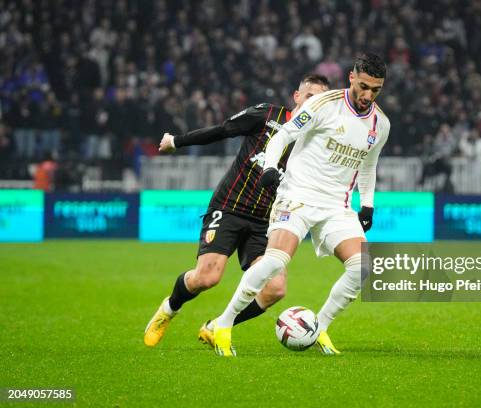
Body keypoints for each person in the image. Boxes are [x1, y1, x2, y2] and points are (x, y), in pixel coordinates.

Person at [211, 53, 390, 356]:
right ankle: (223, 325)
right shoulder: (322, 105)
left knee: (363, 266)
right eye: (363, 86)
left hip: (336, 206)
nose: (368, 95)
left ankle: (319, 327)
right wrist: (269, 167)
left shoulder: (380, 124)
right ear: (351, 77)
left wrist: (368, 205)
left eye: (376, 90)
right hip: (297, 195)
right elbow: (282, 137)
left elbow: (368, 165)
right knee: (275, 261)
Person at [144, 74, 330, 347]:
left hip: (267, 220)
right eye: (311, 96)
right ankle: (168, 309)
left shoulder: (318, 139)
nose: (316, 103)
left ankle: (217, 325)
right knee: (207, 277)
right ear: (297, 96)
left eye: (322, 100)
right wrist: (176, 142)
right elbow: (223, 130)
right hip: (230, 206)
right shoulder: (267, 114)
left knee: (275, 289)